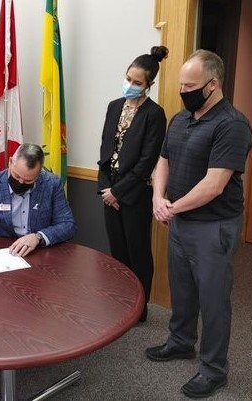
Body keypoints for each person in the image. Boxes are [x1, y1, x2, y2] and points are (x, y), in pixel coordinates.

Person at [145, 49, 252, 398]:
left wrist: (171, 207)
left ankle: (214, 370)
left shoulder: (232, 125)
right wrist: (157, 197)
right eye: (180, 84)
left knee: (213, 298)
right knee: (183, 288)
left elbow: (214, 184)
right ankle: (180, 341)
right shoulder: (180, 119)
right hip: (179, 219)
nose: (183, 91)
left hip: (214, 225)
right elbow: (163, 161)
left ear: (213, 84)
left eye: (190, 85)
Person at [97, 46, 168, 322]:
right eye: (128, 79)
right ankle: (121, 302)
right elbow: (104, 150)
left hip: (135, 194)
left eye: (137, 83)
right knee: (117, 251)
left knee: (137, 251)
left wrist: (118, 192)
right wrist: (106, 188)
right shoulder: (114, 106)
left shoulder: (155, 114)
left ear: (149, 85)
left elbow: (147, 161)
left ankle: (139, 308)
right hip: (109, 191)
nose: (130, 85)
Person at [0, 143, 76, 255]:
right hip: (0, 252)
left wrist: (38, 237)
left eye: (28, 180)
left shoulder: (51, 184)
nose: (21, 182)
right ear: (10, 162)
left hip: (38, 252)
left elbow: (67, 224)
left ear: (39, 175)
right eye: (16, 175)